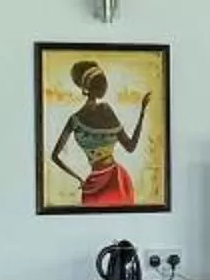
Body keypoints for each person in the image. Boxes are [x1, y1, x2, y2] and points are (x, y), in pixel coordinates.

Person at [51, 58, 151, 208]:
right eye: (102, 83)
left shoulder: (74, 120)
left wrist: (79, 178)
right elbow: (131, 147)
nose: (105, 86)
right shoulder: (105, 110)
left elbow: (55, 156)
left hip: (94, 184)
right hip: (115, 179)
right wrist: (142, 112)